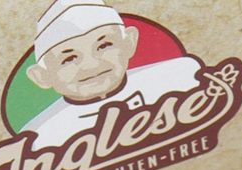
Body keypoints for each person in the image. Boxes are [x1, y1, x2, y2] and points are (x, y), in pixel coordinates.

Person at [22, 1, 200, 142]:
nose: (92, 65)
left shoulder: (182, 77)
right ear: (42, 77)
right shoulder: (38, 136)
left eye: (104, 45)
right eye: (68, 59)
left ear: (129, 43)